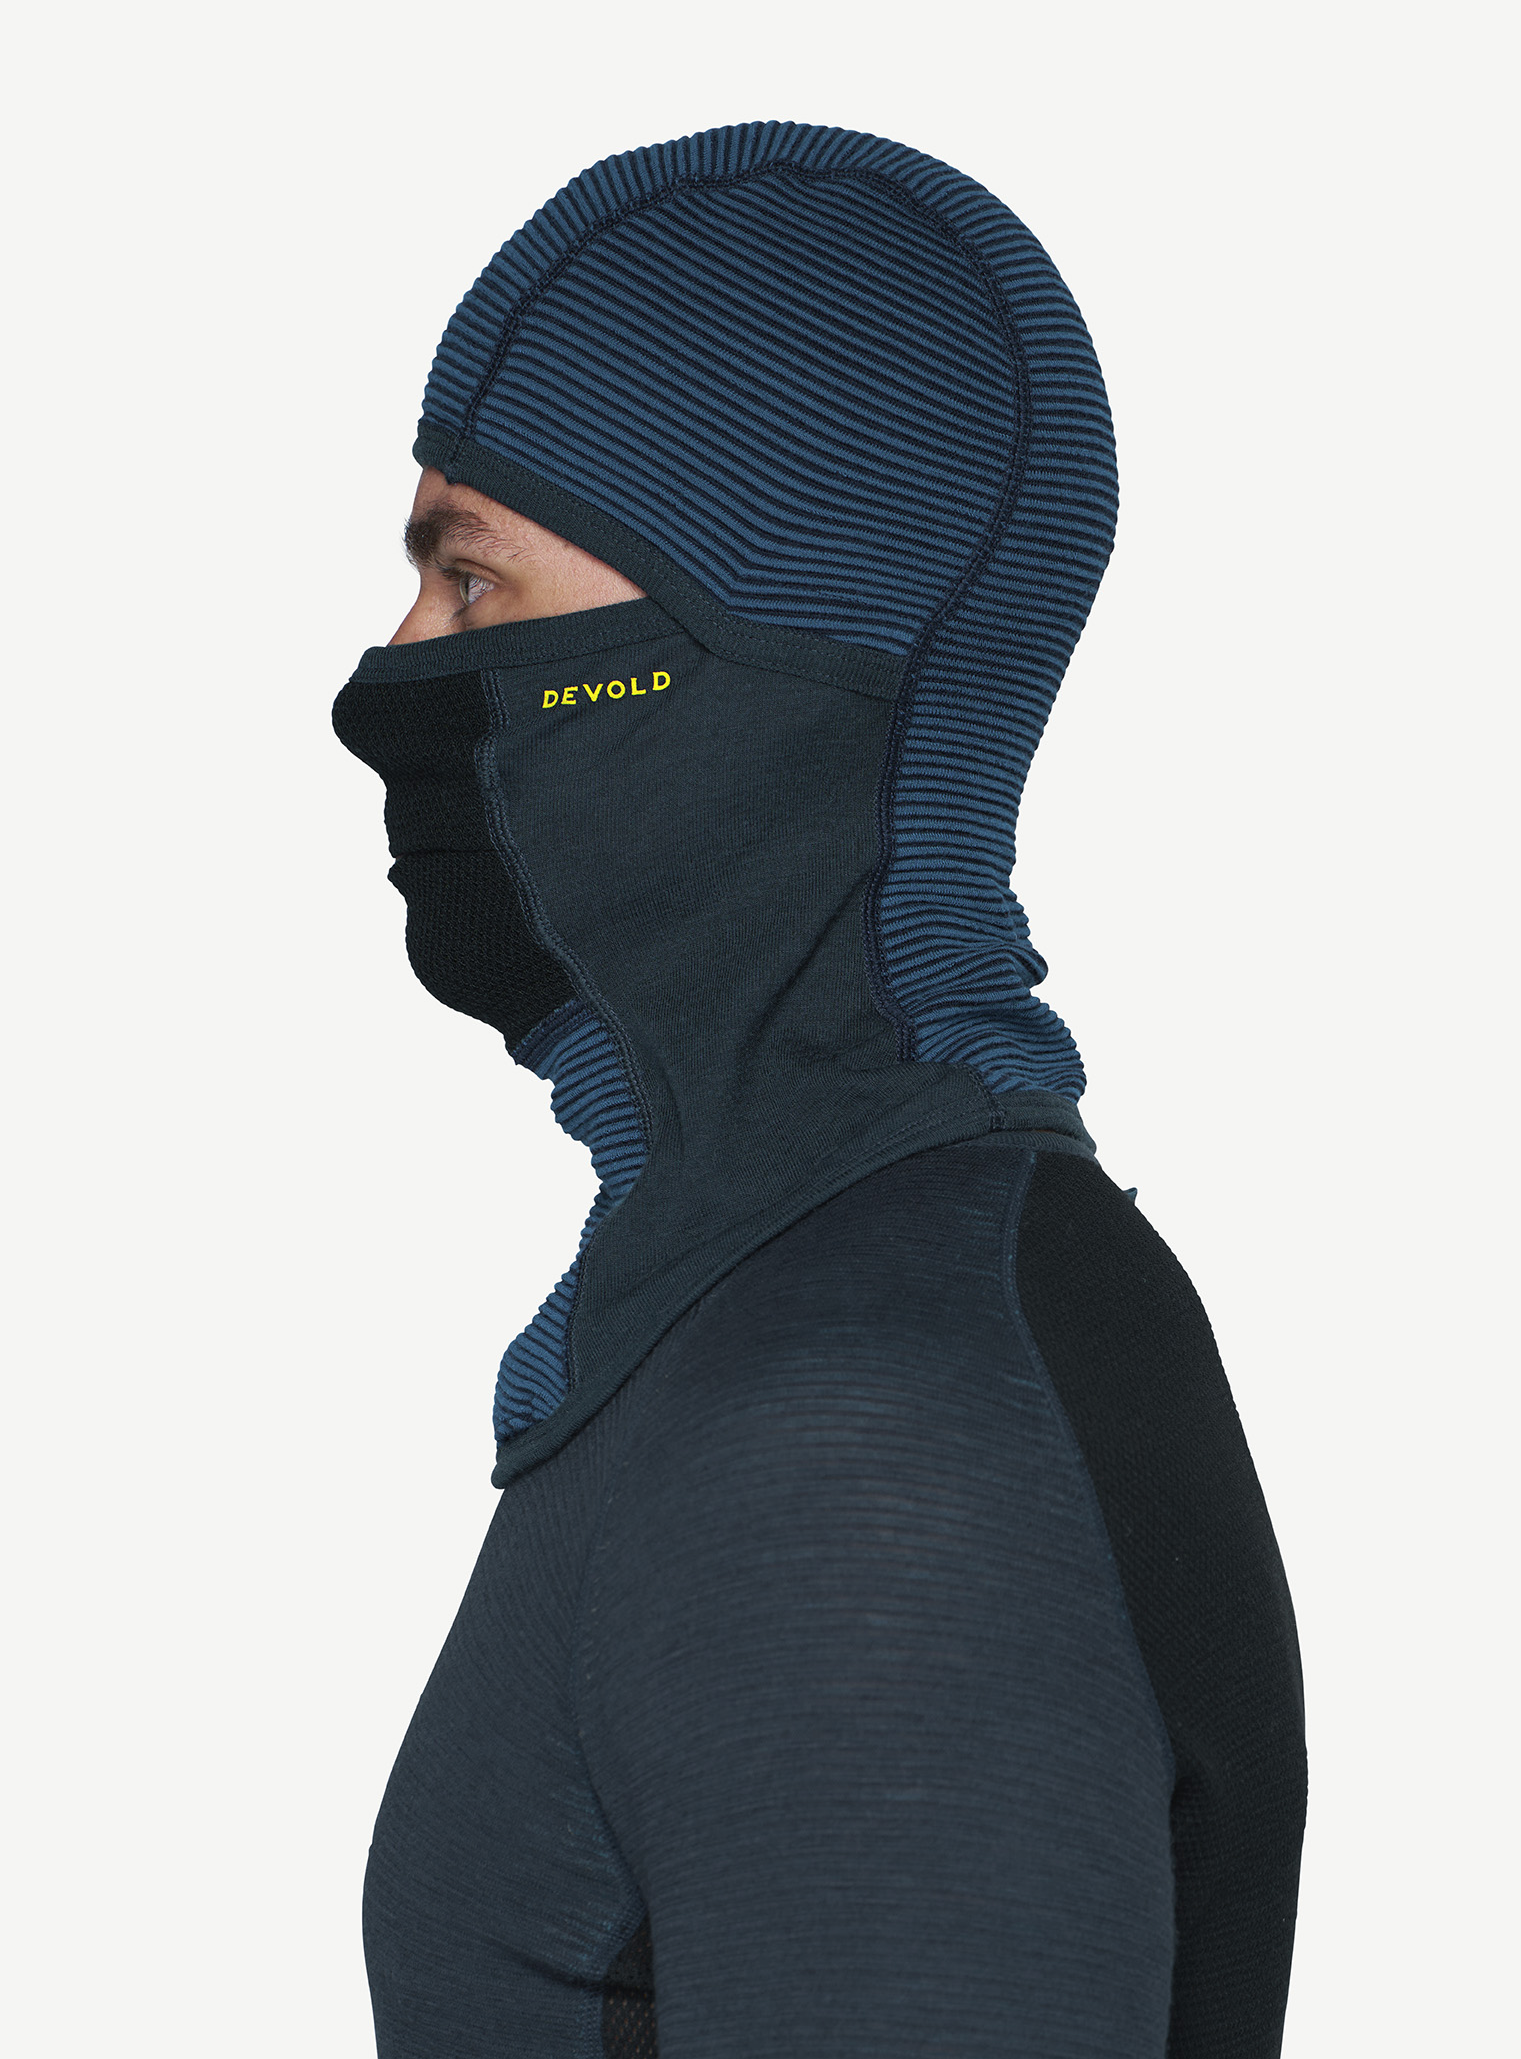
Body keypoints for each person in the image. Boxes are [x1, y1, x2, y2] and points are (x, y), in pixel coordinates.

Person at [333, 120, 1307, 2059]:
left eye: (471, 577)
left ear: (762, 658)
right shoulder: (762, 1305)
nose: (381, 677)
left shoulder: (871, 1429)